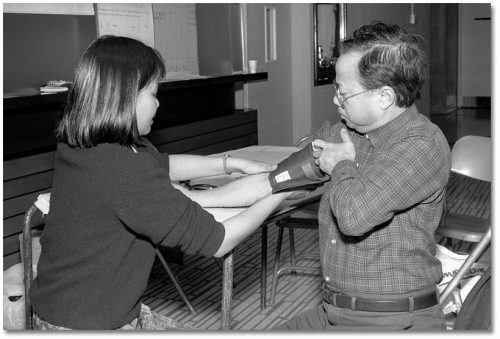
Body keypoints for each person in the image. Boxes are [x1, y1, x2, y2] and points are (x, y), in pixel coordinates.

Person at [30, 35, 303, 330]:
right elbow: (221, 240)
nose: (158, 103)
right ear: (125, 98)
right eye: (153, 93)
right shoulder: (125, 171)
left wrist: (229, 162)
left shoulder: (83, 145)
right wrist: (284, 191)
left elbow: (164, 164)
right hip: (86, 324)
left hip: (62, 305)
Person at [276, 22, 452, 331]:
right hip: (333, 309)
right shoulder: (350, 131)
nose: (336, 100)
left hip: (390, 319)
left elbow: (354, 217)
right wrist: (238, 175)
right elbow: (285, 175)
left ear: (384, 97)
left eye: (343, 93)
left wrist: (341, 165)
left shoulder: (422, 145)